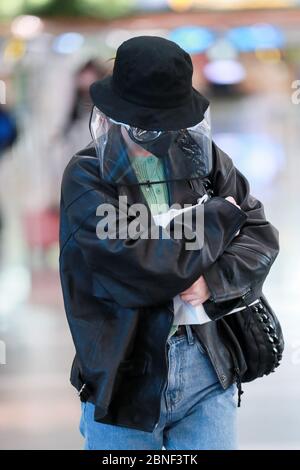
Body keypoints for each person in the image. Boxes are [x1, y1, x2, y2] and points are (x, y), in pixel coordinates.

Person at [59, 36, 279, 450]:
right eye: (146, 124)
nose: (157, 137)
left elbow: (260, 235)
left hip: (208, 365)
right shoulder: (88, 176)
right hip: (124, 377)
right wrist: (218, 216)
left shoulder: (201, 159)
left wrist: (212, 280)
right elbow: (144, 267)